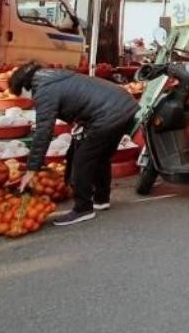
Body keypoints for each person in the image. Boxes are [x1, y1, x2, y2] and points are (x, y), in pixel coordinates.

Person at [10, 63, 140, 225]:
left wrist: (31, 169)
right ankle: (101, 199)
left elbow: (43, 131)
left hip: (108, 114)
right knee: (100, 155)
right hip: (124, 105)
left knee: (82, 160)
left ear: (24, 87)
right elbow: (81, 100)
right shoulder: (56, 77)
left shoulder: (44, 90)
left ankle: (82, 208)